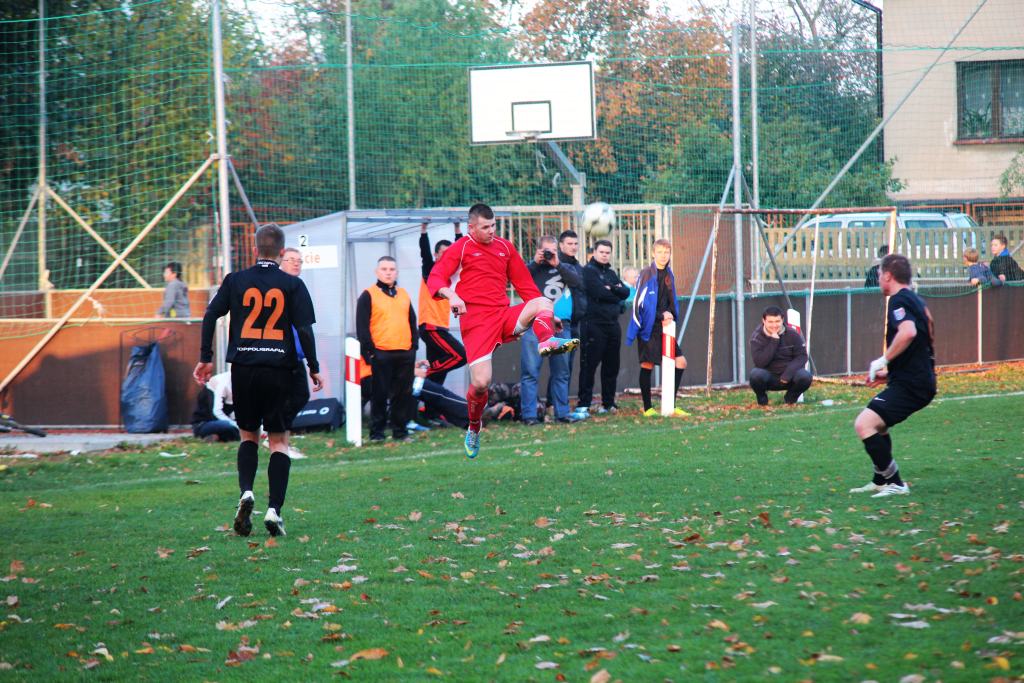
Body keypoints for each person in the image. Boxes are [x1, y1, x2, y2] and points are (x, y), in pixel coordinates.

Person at [193, 224, 323, 537]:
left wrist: (206, 357)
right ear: (282, 252)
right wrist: (313, 366)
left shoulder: (235, 280)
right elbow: (304, 330)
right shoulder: (292, 285)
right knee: (278, 441)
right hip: (279, 369)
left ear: (254, 250)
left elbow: (210, 315)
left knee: (248, 436)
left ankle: (247, 492)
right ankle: (274, 510)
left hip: (244, 368)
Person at [427, 203, 579, 459]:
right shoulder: (461, 247)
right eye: (485, 227)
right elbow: (436, 277)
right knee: (480, 383)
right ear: (471, 227)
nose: (491, 231)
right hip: (476, 323)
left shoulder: (505, 247)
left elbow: (526, 286)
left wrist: (546, 315)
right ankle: (474, 427)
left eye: (494, 225)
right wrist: (451, 295)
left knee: (543, 301)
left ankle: (546, 342)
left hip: (502, 315)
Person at [851, 253, 936, 498]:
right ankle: (880, 481)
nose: (878, 279)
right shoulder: (916, 299)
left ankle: (896, 483)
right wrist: (893, 371)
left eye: (879, 274)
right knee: (879, 425)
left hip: (913, 384)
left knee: (864, 424)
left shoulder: (899, 300)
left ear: (888, 276)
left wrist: (884, 359)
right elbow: (929, 327)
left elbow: (908, 332)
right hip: (916, 379)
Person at [521, 235, 582, 425]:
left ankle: (562, 413)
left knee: (562, 372)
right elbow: (517, 279)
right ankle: (529, 416)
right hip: (535, 324)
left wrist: (558, 264)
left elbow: (577, 282)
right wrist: (534, 262)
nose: (549, 255)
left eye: (553, 251)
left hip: (561, 326)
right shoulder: (531, 268)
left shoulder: (565, 266)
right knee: (530, 372)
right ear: (539, 250)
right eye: (546, 251)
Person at [356, 256, 418, 443]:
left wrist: (413, 347)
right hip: (381, 353)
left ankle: (400, 431)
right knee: (379, 395)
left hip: (404, 352)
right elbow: (362, 327)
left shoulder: (404, 294)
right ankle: (377, 433)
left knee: (403, 395)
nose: (388, 273)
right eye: (384, 269)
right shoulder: (368, 294)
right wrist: (370, 352)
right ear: (377, 272)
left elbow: (412, 321)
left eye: (392, 269)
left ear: (397, 273)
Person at [626, 239, 689, 417]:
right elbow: (640, 303)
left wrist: (670, 314)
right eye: (660, 252)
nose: (663, 255)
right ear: (653, 254)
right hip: (648, 328)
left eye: (666, 252)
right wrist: (661, 315)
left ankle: (670, 405)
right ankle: (648, 409)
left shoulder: (669, 273)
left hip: (665, 327)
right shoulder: (646, 273)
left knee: (680, 362)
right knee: (647, 365)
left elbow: (671, 300)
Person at [576, 239, 629, 416]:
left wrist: (611, 288)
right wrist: (615, 291)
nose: (605, 255)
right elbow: (599, 293)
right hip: (593, 325)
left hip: (612, 324)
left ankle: (608, 403)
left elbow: (626, 292)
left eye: (607, 252)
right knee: (589, 366)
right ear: (595, 253)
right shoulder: (588, 271)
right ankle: (584, 404)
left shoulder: (611, 273)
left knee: (611, 365)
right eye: (602, 252)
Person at [418, 221, 466, 385]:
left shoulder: (450, 275)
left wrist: (457, 229)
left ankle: (427, 398)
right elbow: (424, 254)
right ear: (436, 255)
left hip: (439, 327)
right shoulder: (431, 271)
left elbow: (460, 252)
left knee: (438, 375)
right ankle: (424, 372)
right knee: (460, 356)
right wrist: (423, 230)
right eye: (443, 253)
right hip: (431, 327)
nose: (447, 257)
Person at [748, 305, 813, 406]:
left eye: (777, 321)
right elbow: (760, 362)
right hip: (768, 375)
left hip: (789, 375)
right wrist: (774, 341)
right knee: (755, 375)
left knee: (806, 376)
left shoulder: (792, 334)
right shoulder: (756, 337)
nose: (774, 325)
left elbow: (802, 356)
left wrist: (788, 374)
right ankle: (762, 401)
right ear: (764, 321)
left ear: (782, 320)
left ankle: (790, 399)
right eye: (770, 322)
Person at [280, 248, 312, 428]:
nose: (296, 263)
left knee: (301, 396)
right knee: (282, 398)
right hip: (279, 354)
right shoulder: (276, 286)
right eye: (291, 260)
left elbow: (305, 326)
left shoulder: (298, 286)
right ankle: (275, 432)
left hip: (296, 356)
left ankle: (279, 433)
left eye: (299, 261)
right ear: (281, 262)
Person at [557, 230, 587, 399]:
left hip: (576, 323)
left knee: (567, 366)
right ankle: (552, 404)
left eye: (576, 244)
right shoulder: (555, 265)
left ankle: (562, 403)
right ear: (561, 245)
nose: (573, 247)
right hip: (559, 323)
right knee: (560, 368)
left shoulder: (579, 268)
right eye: (569, 243)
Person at [191, 370, 239, 442]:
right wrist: (236, 425)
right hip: (203, 424)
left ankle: (219, 437)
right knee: (228, 426)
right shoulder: (223, 382)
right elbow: (217, 412)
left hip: (222, 422)